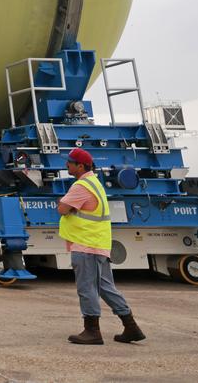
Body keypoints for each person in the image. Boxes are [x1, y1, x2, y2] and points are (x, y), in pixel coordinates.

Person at [57, 147, 144, 345]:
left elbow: (62, 209)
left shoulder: (81, 186)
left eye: (70, 162)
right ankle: (131, 326)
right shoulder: (94, 182)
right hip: (99, 244)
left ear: (80, 166)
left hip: (86, 245)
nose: (66, 165)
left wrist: (62, 203)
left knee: (86, 288)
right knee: (106, 287)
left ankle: (92, 331)